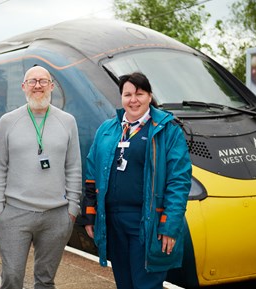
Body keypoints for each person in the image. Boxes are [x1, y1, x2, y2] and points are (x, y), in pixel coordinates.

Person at [80, 72, 191, 289]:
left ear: (149, 96)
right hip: (113, 221)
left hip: (146, 221)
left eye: (139, 94)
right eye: (127, 94)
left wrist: (169, 224)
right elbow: (91, 174)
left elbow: (179, 180)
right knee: (125, 283)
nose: (133, 100)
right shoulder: (108, 129)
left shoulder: (167, 130)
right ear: (121, 97)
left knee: (146, 284)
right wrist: (90, 215)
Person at [0, 65, 82, 289]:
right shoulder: (8, 121)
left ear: (51, 86)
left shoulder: (67, 121)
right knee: (12, 278)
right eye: (32, 81)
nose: (38, 85)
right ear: (23, 87)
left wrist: (72, 209)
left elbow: (73, 167)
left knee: (45, 280)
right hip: (14, 214)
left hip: (56, 215)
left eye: (43, 81)